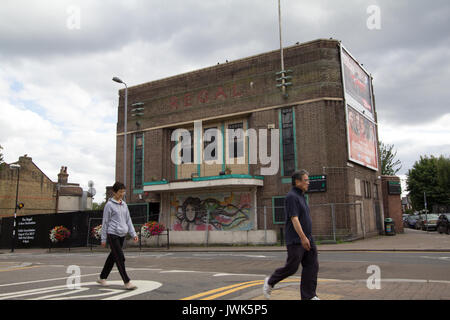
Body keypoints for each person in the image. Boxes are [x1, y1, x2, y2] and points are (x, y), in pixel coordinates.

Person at [263, 170, 320, 300]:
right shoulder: (291, 197)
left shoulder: (301, 196)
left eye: (308, 180)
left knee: (312, 265)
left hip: (308, 237)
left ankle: (309, 296)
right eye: (306, 180)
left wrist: (308, 237)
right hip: (296, 240)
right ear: (297, 182)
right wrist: (303, 238)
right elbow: (294, 219)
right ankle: (270, 281)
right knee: (292, 267)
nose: (308, 183)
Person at [97, 182, 139, 290]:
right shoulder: (109, 205)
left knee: (113, 257)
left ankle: (102, 277)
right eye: (120, 191)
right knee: (120, 257)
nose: (122, 194)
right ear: (114, 192)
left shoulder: (124, 204)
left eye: (123, 191)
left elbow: (128, 220)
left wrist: (133, 233)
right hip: (112, 234)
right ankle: (127, 281)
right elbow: (105, 222)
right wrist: (103, 238)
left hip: (122, 234)